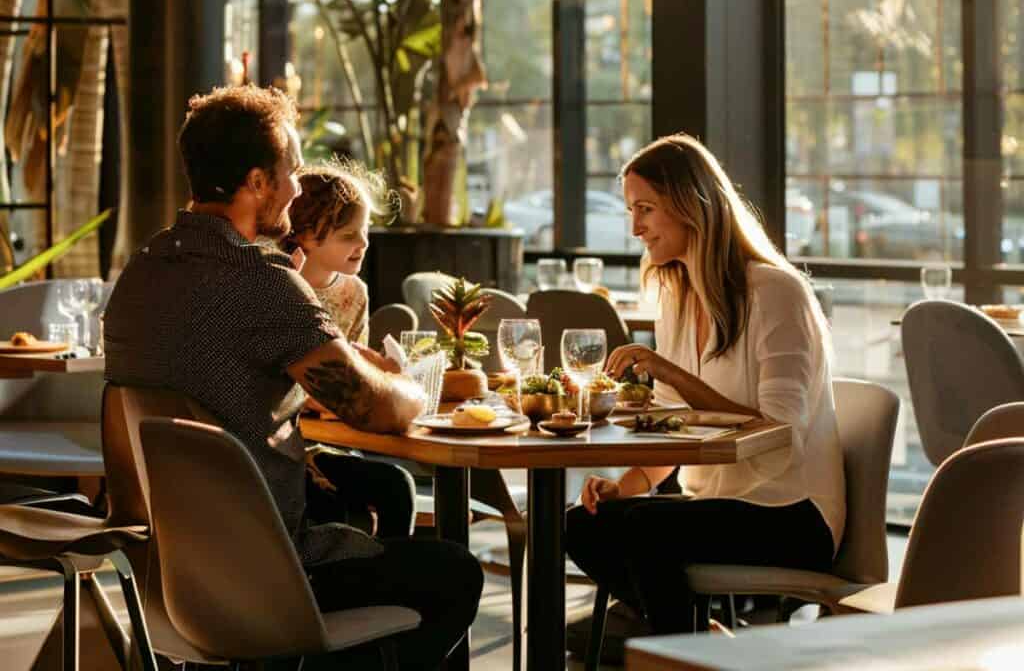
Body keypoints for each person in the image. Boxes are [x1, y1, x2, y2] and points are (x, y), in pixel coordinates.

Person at [104, 85, 483, 669]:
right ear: (257, 182)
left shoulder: (143, 269)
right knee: (453, 572)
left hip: (168, 569)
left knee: (365, 497)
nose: (300, 187)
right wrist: (412, 384)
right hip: (269, 572)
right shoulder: (260, 279)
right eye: (293, 171)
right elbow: (375, 408)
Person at [566, 132, 844, 637]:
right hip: (712, 508)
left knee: (646, 529)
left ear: (690, 204)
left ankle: (684, 651)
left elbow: (778, 433)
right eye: (632, 211)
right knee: (578, 524)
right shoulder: (677, 298)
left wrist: (669, 373)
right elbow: (673, 431)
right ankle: (698, 640)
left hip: (791, 512)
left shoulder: (777, 293)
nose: (635, 228)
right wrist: (623, 487)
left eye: (645, 209)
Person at [280, 159, 416, 539]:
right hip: (288, 446)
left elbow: (356, 371)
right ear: (305, 234)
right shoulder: (280, 282)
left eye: (366, 231)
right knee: (333, 505)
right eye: (347, 235)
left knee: (396, 485)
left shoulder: (354, 294)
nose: (363, 243)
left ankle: (391, 579)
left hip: (337, 441)